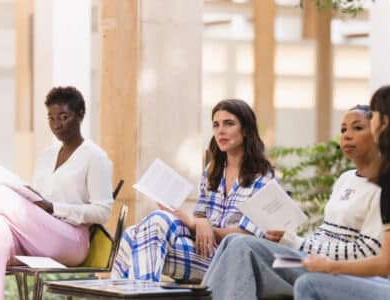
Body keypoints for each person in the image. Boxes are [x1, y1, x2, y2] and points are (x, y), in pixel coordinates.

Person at [203, 105, 383, 300]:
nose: (347, 136)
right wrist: (289, 240)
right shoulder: (346, 178)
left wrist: (298, 243)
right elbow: (326, 231)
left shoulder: (386, 187)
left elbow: (369, 252)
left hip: (342, 271)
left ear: (377, 134)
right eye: (343, 129)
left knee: (243, 245)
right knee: (233, 240)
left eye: (357, 128)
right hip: (311, 258)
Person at [295, 82, 390, 300]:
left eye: (373, 115)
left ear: (385, 122)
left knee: (310, 285)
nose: (371, 120)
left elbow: (386, 263)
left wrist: (329, 266)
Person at [111, 99, 274, 282]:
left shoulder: (262, 176)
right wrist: (196, 222)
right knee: (133, 233)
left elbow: (249, 236)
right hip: (202, 249)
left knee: (148, 229)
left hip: (229, 259)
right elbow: (200, 217)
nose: (220, 130)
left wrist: (199, 225)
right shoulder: (213, 170)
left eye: (229, 123)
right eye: (216, 125)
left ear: (245, 129)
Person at [0, 86, 113, 298]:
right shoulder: (45, 156)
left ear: (80, 114)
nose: (56, 124)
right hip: (38, 235)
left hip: (71, 239)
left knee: (2, 194)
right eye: (51, 118)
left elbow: (103, 212)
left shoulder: (95, 157)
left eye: (63, 117)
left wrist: (54, 207)